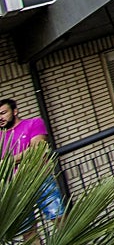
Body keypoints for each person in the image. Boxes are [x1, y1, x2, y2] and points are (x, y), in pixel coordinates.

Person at [0, 98, 65, 241]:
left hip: (40, 180)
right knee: (28, 232)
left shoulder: (33, 123)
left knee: (59, 220)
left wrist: (6, 162)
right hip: (15, 188)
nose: (0, 118)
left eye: (3, 113)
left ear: (15, 111)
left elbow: (37, 150)